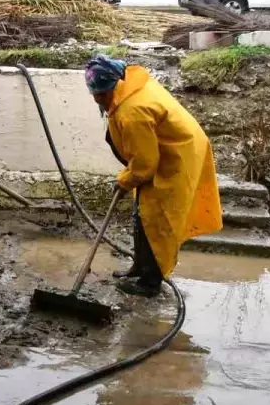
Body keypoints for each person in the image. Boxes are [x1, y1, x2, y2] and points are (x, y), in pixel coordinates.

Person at [86, 55, 222, 297]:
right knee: (141, 214)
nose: (97, 99)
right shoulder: (126, 88)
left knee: (157, 221)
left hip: (178, 158)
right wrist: (130, 176)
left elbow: (145, 166)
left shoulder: (132, 111)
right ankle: (139, 267)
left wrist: (125, 180)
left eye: (101, 94)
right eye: (94, 94)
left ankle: (150, 283)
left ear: (112, 87)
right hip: (162, 152)